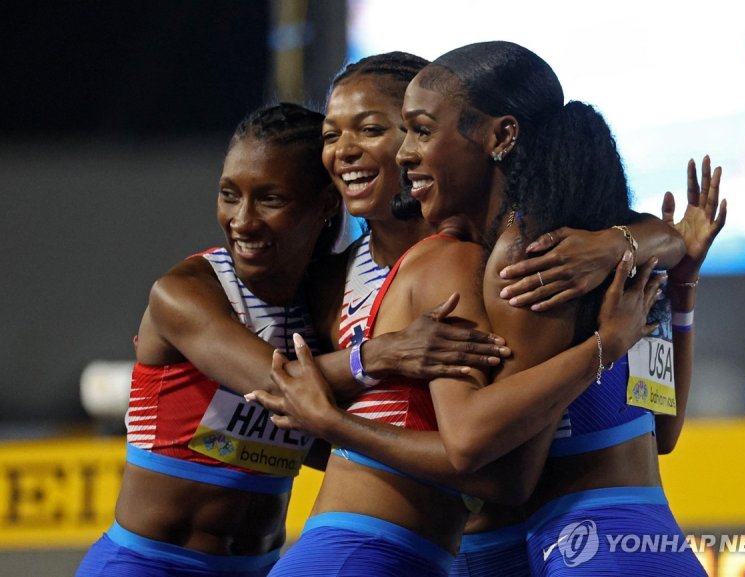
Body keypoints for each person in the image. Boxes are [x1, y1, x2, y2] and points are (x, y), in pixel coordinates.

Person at [252, 42, 668, 577]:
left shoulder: (501, 257)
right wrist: (373, 358)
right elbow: (666, 427)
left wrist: (333, 421)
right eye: (331, 135)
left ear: (498, 137)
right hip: (534, 547)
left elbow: (491, 463)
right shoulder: (589, 240)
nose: (350, 150)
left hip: (543, 546)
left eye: (404, 130)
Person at [72, 101, 512, 577]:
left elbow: (325, 434)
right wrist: (385, 353)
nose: (242, 220)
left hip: (258, 566)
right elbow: (277, 385)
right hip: (145, 564)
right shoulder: (185, 293)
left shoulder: (328, 299)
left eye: (270, 198)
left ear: (324, 205)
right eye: (229, 194)